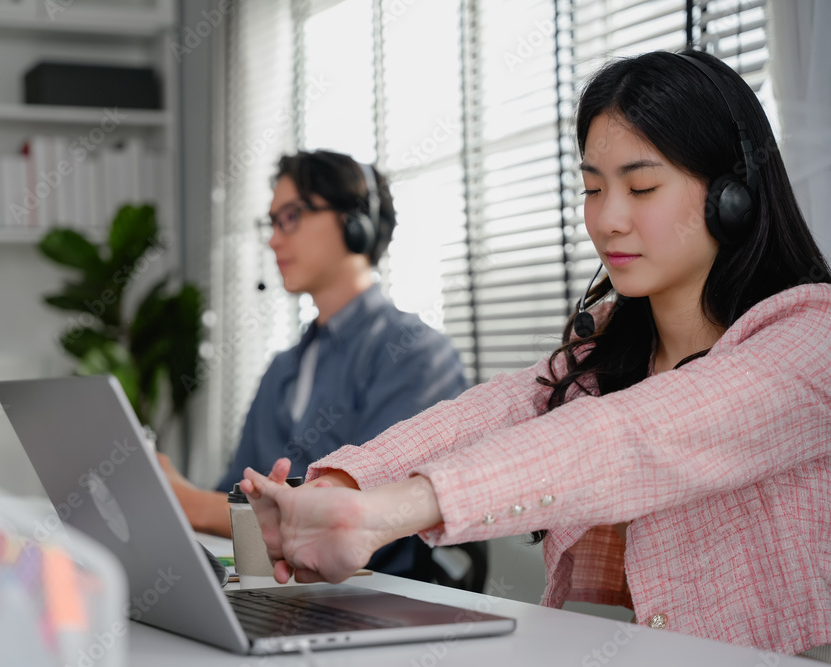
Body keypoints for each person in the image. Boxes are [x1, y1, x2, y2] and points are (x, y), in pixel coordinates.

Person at [240, 50, 831, 659]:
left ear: (731, 194)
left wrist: (384, 514)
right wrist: (337, 489)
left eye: (642, 186)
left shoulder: (812, 340)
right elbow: (493, 413)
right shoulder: (609, 351)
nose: (607, 220)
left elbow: (630, 436)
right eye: (593, 188)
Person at [160, 149, 469, 581]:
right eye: (271, 222)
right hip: (277, 590)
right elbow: (236, 493)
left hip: (375, 600)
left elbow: (357, 516)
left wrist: (184, 500)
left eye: (291, 216)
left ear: (354, 222)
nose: (273, 239)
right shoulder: (282, 369)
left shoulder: (417, 355)